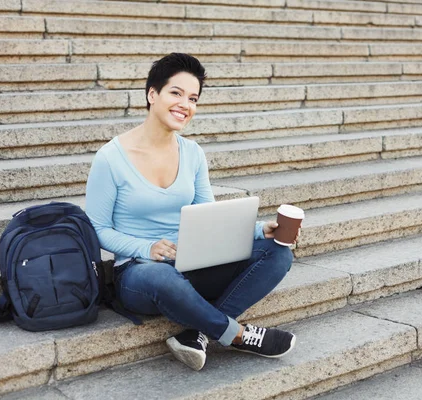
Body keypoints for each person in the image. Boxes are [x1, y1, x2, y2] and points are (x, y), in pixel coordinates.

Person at [85, 53, 297, 371]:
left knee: (278, 253)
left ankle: (197, 333)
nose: (186, 104)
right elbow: (97, 228)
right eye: (176, 93)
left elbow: (208, 217)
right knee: (162, 276)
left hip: (192, 264)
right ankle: (237, 335)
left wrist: (256, 230)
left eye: (193, 98)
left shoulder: (193, 153)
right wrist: (147, 248)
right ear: (152, 94)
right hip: (139, 275)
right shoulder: (111, 158)